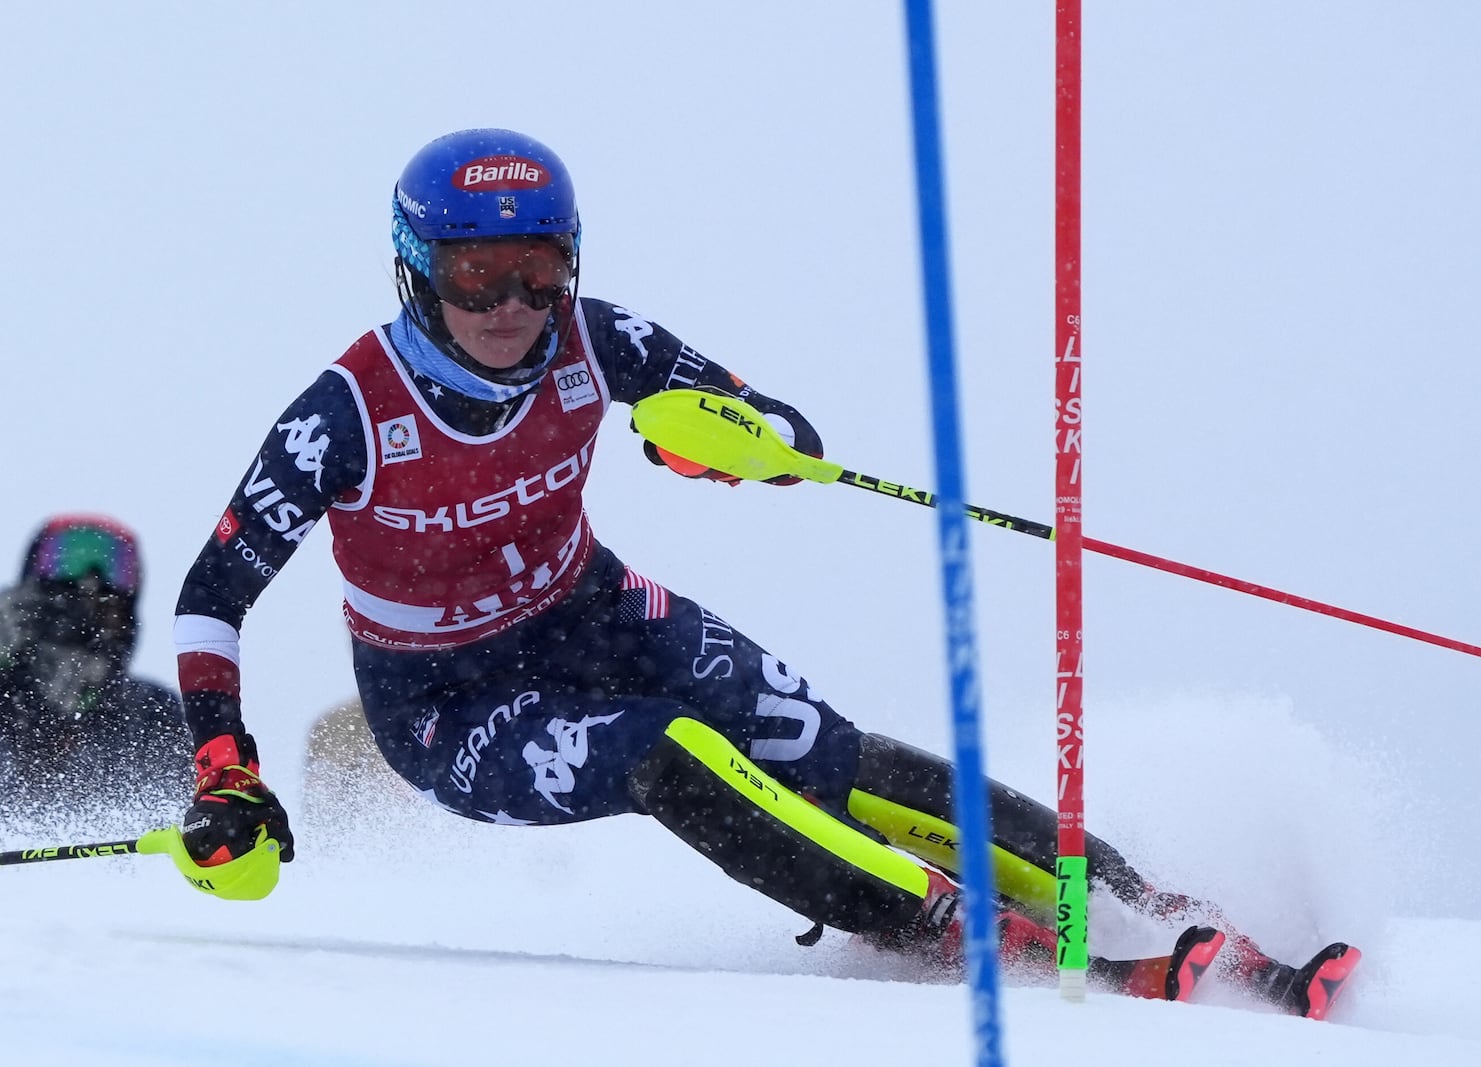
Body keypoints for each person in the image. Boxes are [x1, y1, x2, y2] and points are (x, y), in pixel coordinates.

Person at [171, 128, 1357, 1017]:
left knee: (822, 749)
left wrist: (742, 446)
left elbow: (779, 429)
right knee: (665, 749)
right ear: (417, 269)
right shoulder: (344, 415)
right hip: (446, 704)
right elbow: (209, 598)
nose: (512, 306)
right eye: (477, 276)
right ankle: (968, 928)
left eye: (537, 271)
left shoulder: (600, 340)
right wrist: (225, 769)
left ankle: (1146, 897)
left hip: (590, 607)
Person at [0, 514, 189, 822]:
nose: (91, 577)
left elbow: (184, 811)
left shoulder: (150, 715)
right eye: (67, 557)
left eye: (115, 564)